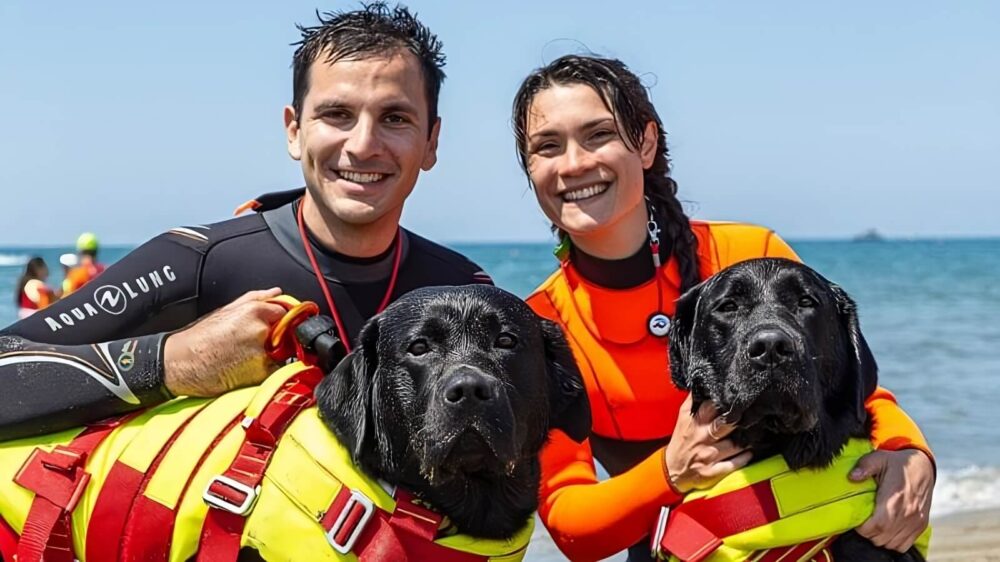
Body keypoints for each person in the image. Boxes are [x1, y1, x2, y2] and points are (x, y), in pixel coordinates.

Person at [511, 55, 935, 561]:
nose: (574, 163)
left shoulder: (748, 253)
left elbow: (854, 387)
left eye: (598, 135)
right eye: (548, 146)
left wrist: (911, 454)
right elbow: (571, 526)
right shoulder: (542, 323)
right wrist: (670, 471)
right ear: (529, 168)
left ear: (645, 143)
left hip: (820, 526)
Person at [0, 3, 490, 440]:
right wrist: (174, 360)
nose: (363, 145)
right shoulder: (197, 262)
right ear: (294, 131)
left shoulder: (465, 291)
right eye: (337, 114)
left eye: (395, 118)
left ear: (431, 142)